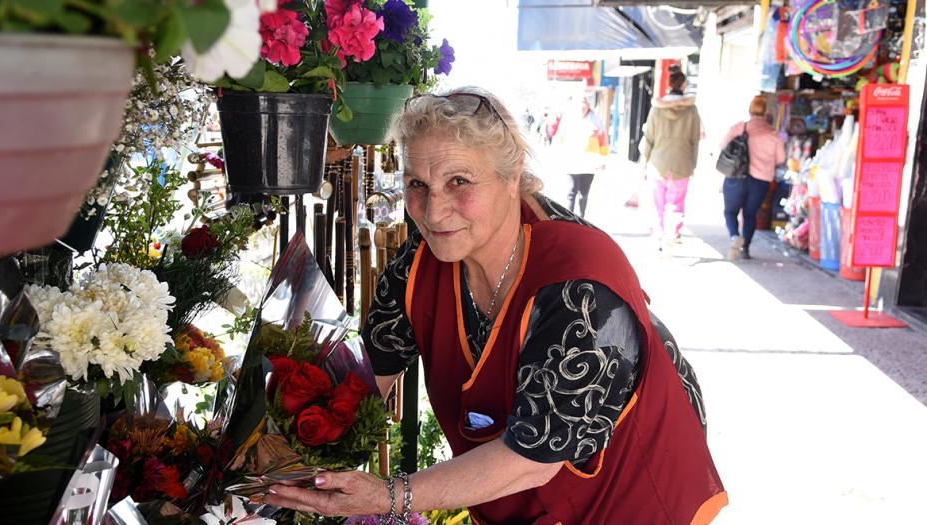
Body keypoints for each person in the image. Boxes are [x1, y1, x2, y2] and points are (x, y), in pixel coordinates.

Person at [265, 87, 726, 524]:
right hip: (518, 502)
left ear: (512, 175)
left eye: (459, 181)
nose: (432, 209)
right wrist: (274, 445)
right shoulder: (420, 264)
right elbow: (364, 380)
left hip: (626, 496)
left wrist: (389, 496)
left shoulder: (581, 286)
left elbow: (532, 459)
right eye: (417, 184)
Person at [640, 66, 701, 249]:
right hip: (682, 163)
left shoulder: (656, 109)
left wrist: (644, 163)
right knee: (676, 202)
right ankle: (672, 233)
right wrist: (693, 164)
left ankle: (658, 235)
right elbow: (695, 140)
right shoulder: (692, 110)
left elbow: (649, 138)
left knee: (657, 202)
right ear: (683, 84)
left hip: (658, 163)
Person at [719, 95, 787, 260]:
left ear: (750, 110)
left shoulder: (739, 128)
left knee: (730, 212)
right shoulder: (773, 135)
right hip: (760, 181)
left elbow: (723, 146)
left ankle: (735, 237)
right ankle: (745, 248)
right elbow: (781, 159)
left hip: (735, 177)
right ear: (766, 113)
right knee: (750, 215)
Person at [555, 95, 607, 218]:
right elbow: (560, 139)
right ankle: (569, 219)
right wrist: (560, 156)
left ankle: (581, 217)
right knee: (571, 192)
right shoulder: (568, 119)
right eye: (580, 106)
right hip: (573, 161)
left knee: (584, 193)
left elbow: (603, 141)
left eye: (585, 106)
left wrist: (603, 159)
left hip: (590, 163)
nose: (582, 109)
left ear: (589, 106)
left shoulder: (596, 120)